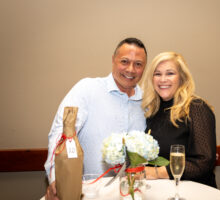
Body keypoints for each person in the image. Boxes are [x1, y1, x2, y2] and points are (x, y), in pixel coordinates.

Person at [44, 37, 147, 200]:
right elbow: (61, 134)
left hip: (132, 192)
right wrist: (58, 180)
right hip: (89, 193)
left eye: (138, 64)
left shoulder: (148, 101)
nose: (131, 69)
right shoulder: (87, 89)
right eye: (125, 61)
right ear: (113, 60)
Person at [142, 52, 217, 187]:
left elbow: (204, 162)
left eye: (170, 73)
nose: (163, 79)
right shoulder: (152, 111)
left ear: (182, 78)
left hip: (194, 191)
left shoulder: (196, 108)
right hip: (161, 191)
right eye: (157, 74)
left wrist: (156, 173)